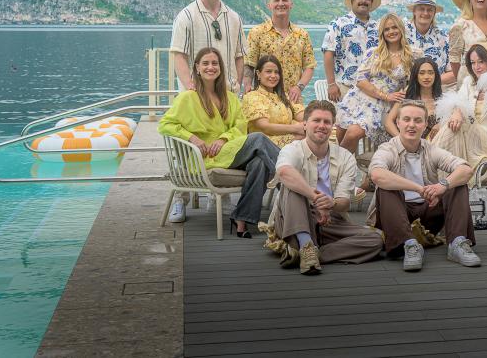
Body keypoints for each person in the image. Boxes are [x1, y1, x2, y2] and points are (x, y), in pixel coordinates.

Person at [159, 48, 279, 236]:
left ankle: (241, 218)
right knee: (258, 138)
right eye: (205, 63)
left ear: (221, 68)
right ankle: (292, 180)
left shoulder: (229, 97)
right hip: (205, 157)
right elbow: (165, 124)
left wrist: (224, 139)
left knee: (259, 163)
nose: (211, 67)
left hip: (228, 151)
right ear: (197, 68)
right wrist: (192, 137)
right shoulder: (187, 97)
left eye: (215, 63)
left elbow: (241, 125)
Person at [263, 100, 383, 274]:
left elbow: (344, 203)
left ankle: (310, 253)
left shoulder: (345, 157)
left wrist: (331, 203)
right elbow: (284, 173)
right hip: (293, 217)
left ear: (332, 126)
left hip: (330, 221)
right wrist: (316, 198)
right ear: (305, 124)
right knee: (293, 185)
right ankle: (305, 242)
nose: (321, 125)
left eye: (327, 122)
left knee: (376, 239)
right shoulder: (292, 149)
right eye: (316, 120)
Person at [368, 100, 481, 271]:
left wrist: (442, 185)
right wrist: (418, 189)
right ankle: (409, 245)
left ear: (425, 124)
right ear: (398, 122)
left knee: (457, 184)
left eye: (418, 120)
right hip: (395, 217)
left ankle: (457, 243)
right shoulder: (387, 149)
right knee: (386, 188)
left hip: (427, 216)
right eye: (406, 119)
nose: (411, 125)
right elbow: (377, 174)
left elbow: (466, 169)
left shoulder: (431, 149)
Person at [432, 43, 487, 174]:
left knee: (459, 125)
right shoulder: (469, 82)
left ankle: (430, 164)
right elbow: (459, 101)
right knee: (453, 126)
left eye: (481, 61)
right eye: (473, 62)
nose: (476, 67)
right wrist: (457, 112)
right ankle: (444, 173)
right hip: (470, 140)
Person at [336, 13, 414, 153]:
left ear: (401, 29)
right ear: (382, 33)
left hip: (381, 106)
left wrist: (400, 95)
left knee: (353, 133)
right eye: (386, 29)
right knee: (341, 136)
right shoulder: (374, 53)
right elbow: (360, 80)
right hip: (358, 99)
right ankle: (343, 166)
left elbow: (415, 81)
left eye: (394, 27)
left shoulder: (412, 55)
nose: (391, 32)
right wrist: (385, 95)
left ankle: (334, 164)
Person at [170, 0, 246, 92]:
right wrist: (190, 86)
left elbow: (239, 56)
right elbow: (179, 55)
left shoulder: (234, 18)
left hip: (228, 94)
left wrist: (237, 84)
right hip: (197, 94)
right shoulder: (186, 16)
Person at [243, 0, 317, 102]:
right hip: (263, 99)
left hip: (293, 99)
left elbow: (309, 66)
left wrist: (299, 87)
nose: (281, 3)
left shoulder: (302, 35)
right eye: (276, 0)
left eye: (284, 0)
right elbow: (249, 64)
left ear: (291, 4)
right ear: (269, 5)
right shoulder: (256, 32)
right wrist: (247, 86)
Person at [321, 0, 381, 103]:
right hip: (345, 87)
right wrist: (331, 84)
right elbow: (328, 54)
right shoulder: (338, 24)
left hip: (373, 89)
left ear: (371, 3)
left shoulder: (378, 27)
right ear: (352, 1)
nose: (363, 1)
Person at [241, 55, 307, 148]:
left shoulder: (283, 96)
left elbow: (301, 115)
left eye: (276, 72)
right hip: (264, 146)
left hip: (290, 138)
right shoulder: (252, 97)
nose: (273, 76)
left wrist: (313, 122)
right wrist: (295, 129)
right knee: (307, 138)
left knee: (315, 135)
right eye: (268, 71)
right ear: (258, 74)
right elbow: (265, 127)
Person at [384, 56, 443, 140]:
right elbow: (388, 122)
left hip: (431, 144)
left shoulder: (443, 99)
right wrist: (402, 140)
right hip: (402, 141)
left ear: (435, 75)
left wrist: (441, 125)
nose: (426, 77)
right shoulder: (406, 96)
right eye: (422, 73)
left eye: (430, 73)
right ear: (416, 75)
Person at [404, 0, 455, 87]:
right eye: (421, 9)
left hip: (436, 89)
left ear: (434, 13)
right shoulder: (401, 34)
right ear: (414, 11)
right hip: (405, 89)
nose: (425, 13)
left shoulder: (444, 38)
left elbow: (453, 72)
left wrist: (430, 83)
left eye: (430, 10)